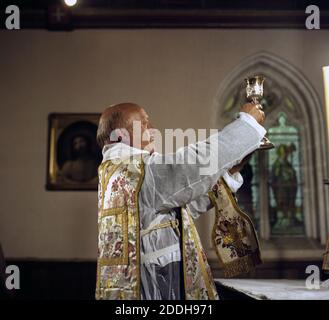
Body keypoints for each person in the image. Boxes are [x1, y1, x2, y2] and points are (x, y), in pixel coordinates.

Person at [95, 102, 265, 300]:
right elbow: (195, 165)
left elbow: (180, 210)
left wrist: (230, 170)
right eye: (144, 123)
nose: (152, 129)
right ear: (120, 135)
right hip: (159, 285)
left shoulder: (117, 171)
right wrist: (247, 124)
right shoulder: (137, 172)